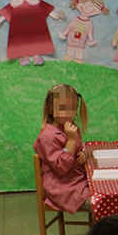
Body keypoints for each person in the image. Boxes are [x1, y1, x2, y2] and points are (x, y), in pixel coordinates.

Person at [34, 83, 90, 213]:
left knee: (106, 192)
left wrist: (81, 154)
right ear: (51, 109)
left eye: (73, 108)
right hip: (63, 188)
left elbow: (75, 152)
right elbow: (61, 168)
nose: (68, 113)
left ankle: (102, 225)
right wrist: (71, 141)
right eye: (63, 108)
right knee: (100, 203)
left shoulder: (70, 128)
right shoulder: (47, 136)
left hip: (77, 181)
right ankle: (102, 226)